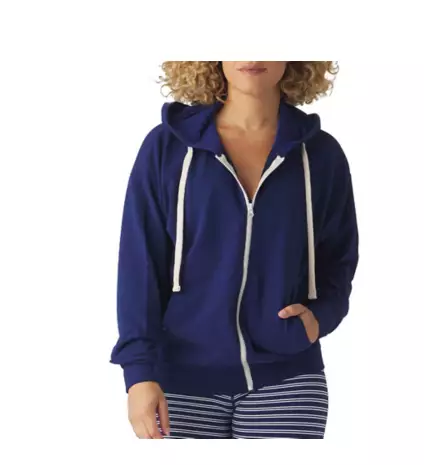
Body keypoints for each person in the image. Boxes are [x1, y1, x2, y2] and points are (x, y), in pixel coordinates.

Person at [109, 61, 359, 439]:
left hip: (288, 378)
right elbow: (139, 266)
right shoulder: (167, 147)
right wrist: (138, 373)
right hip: (178, 380)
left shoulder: (320, 154)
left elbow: (338, 256)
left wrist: (320, 317)